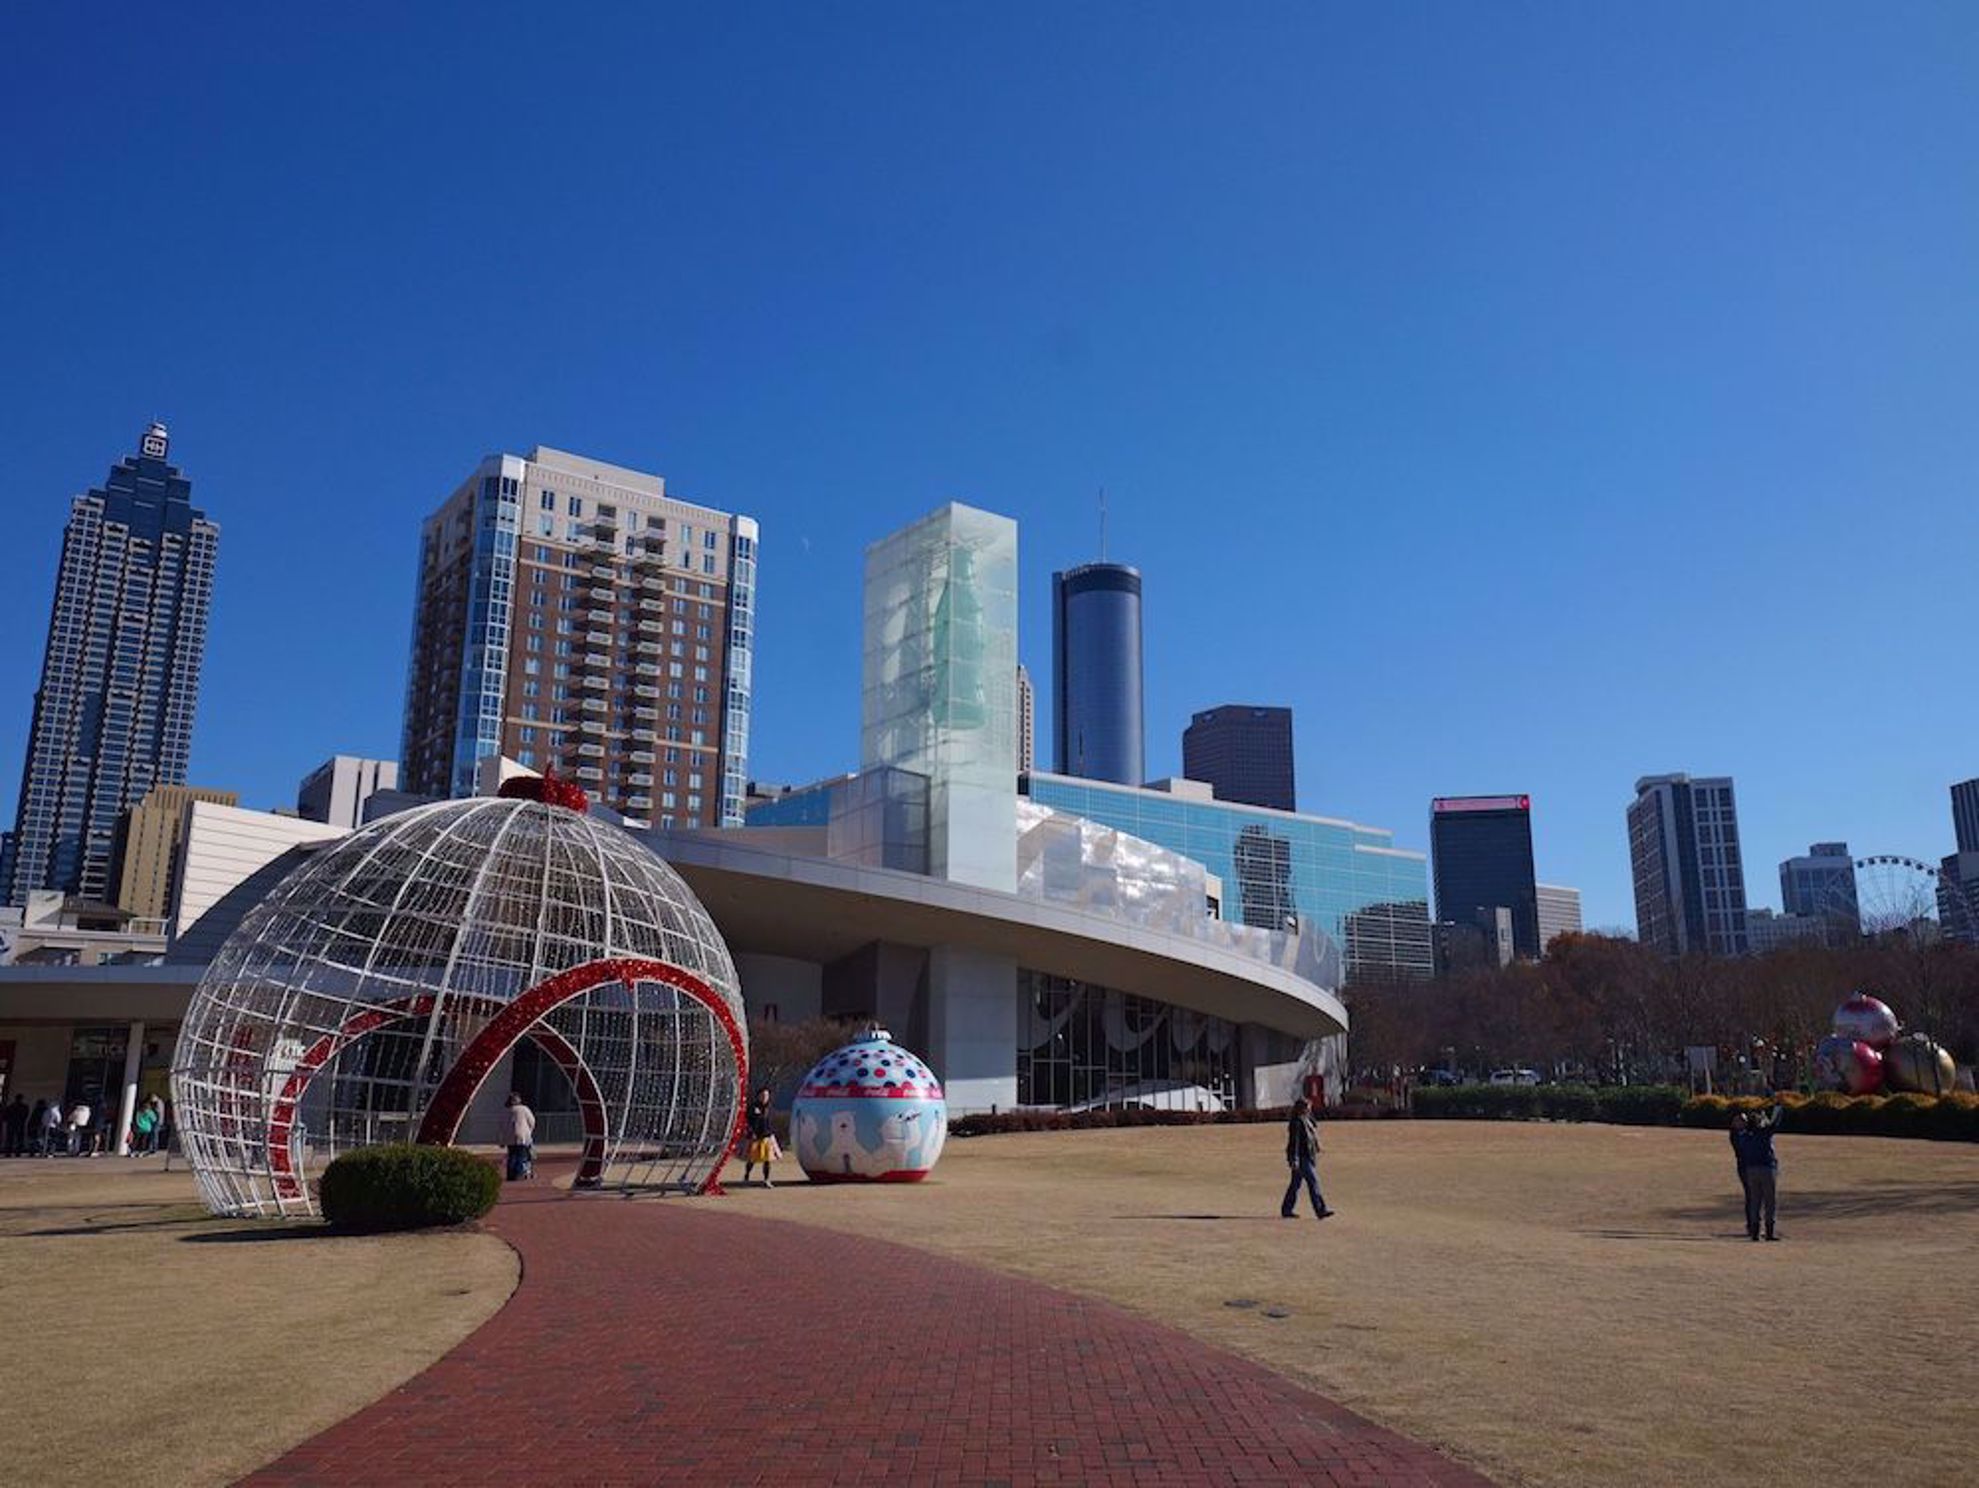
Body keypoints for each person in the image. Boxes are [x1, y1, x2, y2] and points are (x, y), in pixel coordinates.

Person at [1730, 1103, 1784, 1241]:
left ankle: (1754, 1231)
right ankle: (1769, 1231)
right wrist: (1778, 1109)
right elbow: (1775, 1123)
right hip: (1766, 1168)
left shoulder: (1744, 1136)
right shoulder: (1764, 1133)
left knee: (1755, 1201)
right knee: (1769, 1201)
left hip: (1751, 1170)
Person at [1281, 1097, 1334, 1220]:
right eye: (1308, 1107)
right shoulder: (1297, 1123)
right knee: (1313, 1182)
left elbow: (1314, 1130)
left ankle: (1286, 1209)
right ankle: (1320, 1210)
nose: (1310, 1109)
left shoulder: (1306, 1120)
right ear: (1302, 1108)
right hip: (1301, 1157)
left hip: (1308, 1156)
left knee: (1295, 1184)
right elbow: (1295, 1142)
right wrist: (1294, 1159)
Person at [742, 1087, 778, 1187]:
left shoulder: (769, 1108)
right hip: (755, 1137)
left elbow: (770, 1121)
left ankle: (766, 1180)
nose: (764, 1097)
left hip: (766, 1136)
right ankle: (747, 1175)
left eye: (766, 1096)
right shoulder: (753, 1107)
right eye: (762, 1095)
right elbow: (747, 1121)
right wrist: (751, 1132)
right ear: (758, 1096)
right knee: (752, 1159)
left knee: (768, 1159)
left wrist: (771, 1133)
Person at [504, 1091, 535, 1181]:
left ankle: (510, 1174)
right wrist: (529, 1131)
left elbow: (502, 1125)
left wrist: (502, 1140)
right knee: (520, 1155)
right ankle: (518, 1173)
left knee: (512, 1155)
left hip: (510, 1136)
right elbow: (532, 1121)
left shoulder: (507, 1110)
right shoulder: (524, 1109)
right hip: (522, 1136)